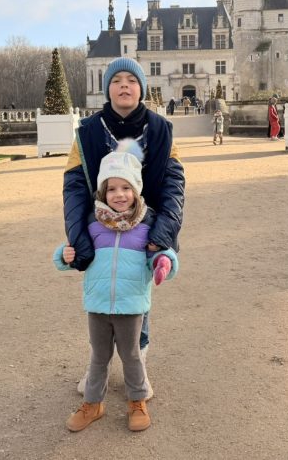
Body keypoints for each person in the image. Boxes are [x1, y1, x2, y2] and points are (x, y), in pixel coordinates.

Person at [63, 56, 185, 399]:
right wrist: (78, 236)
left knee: (137, 295)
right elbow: (73, 187)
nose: (124, 86)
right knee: (100, 295)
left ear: (141, 88)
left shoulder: (162, 130)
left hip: (145, 228)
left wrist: (162, 235)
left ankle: (137, 365)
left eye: (132, 80)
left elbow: (174, 185)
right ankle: (97, 368)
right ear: (108, 89)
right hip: (98, 227)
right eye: (117, 80)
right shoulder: (87, 131)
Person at [55, 141, 179, 433]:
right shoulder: (93, 224)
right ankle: (93, 404)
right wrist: (64, 255)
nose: (119, 195)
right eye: (111, 189)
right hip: (97, 304)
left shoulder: (147, 225)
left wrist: (164, 262)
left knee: (132, 355)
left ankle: (136, 401)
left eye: (125, 188)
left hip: (131, 305)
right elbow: (73, 253)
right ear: (102, 193)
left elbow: (160, 254)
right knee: (98, 357)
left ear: (136, 191)